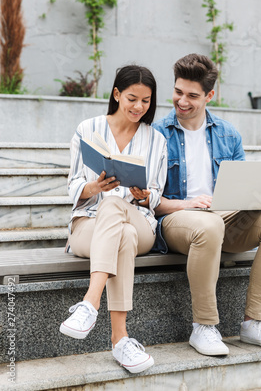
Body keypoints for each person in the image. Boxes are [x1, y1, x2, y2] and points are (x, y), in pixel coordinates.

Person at [153, 53, 261, 356]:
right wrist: (188, 204)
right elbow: (147, 200)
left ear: (209, 96)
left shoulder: (228, 134)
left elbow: (241, 186)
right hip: (177, 219)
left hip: (223, 218)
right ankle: (203, 326)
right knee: (209, 224)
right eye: (178, 92)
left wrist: (255, 198)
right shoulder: (156, 133)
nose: (182, 101)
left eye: (192, 95)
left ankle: (253, 323)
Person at [60, 65, 167, 374]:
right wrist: (94, 187)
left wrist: (145, 194)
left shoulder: (156, 140)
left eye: (146, 101)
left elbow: (157, 194)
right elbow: (73, 185)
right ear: (117, 94)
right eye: (132, 98)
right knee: (120, 229)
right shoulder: (88, 129)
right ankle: (120, 340)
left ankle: (89, 304)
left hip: (140, 222)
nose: (138, 107)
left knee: (119, 207)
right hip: (88, 225)